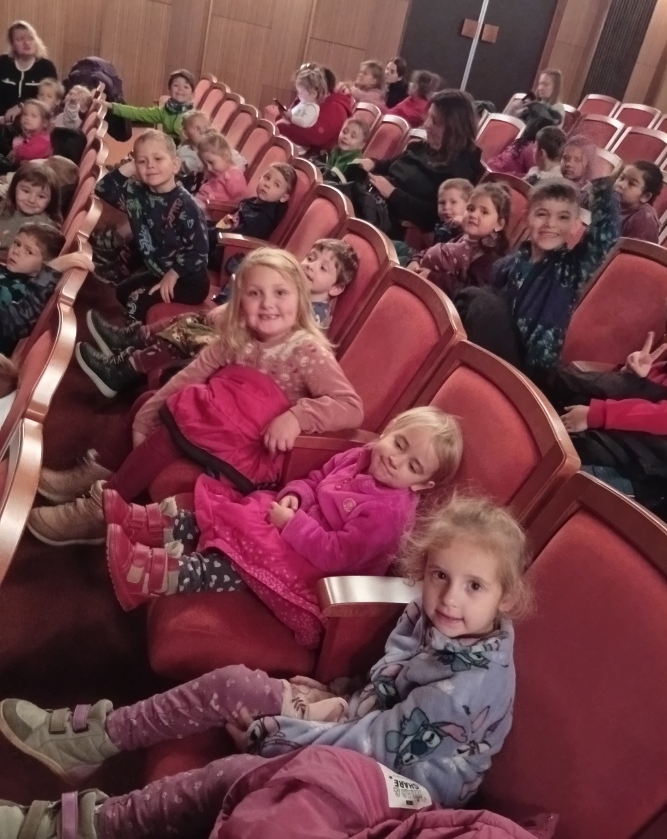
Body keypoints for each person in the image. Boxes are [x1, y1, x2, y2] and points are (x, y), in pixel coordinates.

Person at [0, 494, 532, 838]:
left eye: (474, 586)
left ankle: (83, 825)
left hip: (398, 789)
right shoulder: (428, 616)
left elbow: (376, 746)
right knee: (235, 683)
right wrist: (333, 694)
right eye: (440, 575)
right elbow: (386, 688)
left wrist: (270, 736)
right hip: (364, 730)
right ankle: (94, 739)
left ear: (506, 599)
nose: (449, 597)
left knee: (239, 774)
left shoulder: (466, 691)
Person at [28, 248, 364, 543]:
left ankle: (104, 509)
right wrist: (146, 416)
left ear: (300, 299)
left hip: (252, 450)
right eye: (255, 293)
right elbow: (192, 374)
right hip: (221, 428)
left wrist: (296, 417)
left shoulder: (307, 351)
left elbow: (350, 407)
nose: (268, 304)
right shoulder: (239, 335)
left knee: (172, 433)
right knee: (149, 402)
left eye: (280, 293)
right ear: (240, 301)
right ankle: (100, 470)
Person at [105, 407, 462, 635]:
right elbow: (318, 478)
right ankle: (140, 522)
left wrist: (292, 524)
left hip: (317, 573)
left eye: (413, 465)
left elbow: (337, 554)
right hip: (296, 526)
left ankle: (144, 575)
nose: (397, 460)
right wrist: (298, 495)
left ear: (421, 484)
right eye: (399, 444)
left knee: (240, 560)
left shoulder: (389, 514)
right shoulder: (362, 456)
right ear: (389, 430)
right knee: (230, 513)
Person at [74, 233, 353, 398]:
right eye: (311, 257)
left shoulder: (314, 317)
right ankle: (134, 339)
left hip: (251, 366)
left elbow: (273, 341)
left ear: (336, 289)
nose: (311, 266)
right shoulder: (293, 289)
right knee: (192, 320)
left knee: (187, 335)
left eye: (323, 268)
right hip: (242, 341)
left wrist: (233, 318)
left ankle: (122, 371)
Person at [488, 177, 620, 385]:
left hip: (533, 373)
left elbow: (605, 236)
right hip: (494, 356)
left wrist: (601, 185)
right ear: (527, 217)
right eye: (541, 214)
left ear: (575, 226)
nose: (550, 224)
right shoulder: (504, 266)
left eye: (563, 217)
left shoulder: (571, 269)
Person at [558, 303, 667, 510]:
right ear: (666, 339)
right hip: (613, 449)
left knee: (562, 479)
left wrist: (595, 414)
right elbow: (618, 395)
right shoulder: (658, 369)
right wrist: (630, 375)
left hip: (646, 480)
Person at [93, 129, 210, 321]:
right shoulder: (136, 194)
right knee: (122, 292)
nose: (150, 165)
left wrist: (173, 274)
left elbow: (199, 251)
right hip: (158, 270)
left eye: (158, 159)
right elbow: (103, 188)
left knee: (137, 300)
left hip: (188, 280)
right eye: (142, 161)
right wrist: (132, 166)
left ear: (175, 165)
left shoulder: (186, 204)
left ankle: (131, 336)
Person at [356, 89, 484, 242]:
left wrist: (393, 193)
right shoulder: (424, 147)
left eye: (435, 121)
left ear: (454, 128)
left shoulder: (460, 169)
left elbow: (434, 215)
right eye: (428, 116)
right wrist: (372, 162)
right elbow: (393, 164)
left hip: (391, 222)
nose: (426, 124)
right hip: (372, 199)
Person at [0, 223, 93, 355]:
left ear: (43, 265)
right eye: (17, 244)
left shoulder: (26, 290)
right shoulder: (7, 272)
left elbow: (18, 320)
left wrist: (52, 269)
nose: (16, 251)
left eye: (29, 252)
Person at [409, 183, 510, 299]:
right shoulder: (464, 238)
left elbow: (472, 294)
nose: (473, 215)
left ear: (499, 224)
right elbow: (434, 249)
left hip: (438, 300)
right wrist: (416, 260)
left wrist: (433, 277)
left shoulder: (490, 258)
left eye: (484, 212)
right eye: (470, 209)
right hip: (421, 278)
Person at [274, 66, 353, 153]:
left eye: (301, 92)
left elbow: (315, 136)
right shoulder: (309, 101)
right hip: (293, 145)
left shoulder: (333, 107)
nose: (299, 95)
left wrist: (282, 124)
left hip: (303, 152)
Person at [104, 68, 195, 140]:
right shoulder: (163, 111)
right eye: (176, 85)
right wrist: (111, 106)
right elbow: (137, 112)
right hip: (168, 150)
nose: (180, 89)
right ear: (169, 90)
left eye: (186, 87)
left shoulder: (194, 116)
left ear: (192, 94)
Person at [0, 20, 57, 121]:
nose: (26, 43)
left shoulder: (46, 67)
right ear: (12, 44)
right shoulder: (3, 62)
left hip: (34, 122)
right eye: (20, 39)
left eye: (31, 38)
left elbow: (50, 100)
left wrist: (22, 106)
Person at [0, 162, 61, 250]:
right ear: (14, 188)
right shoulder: (7, 205)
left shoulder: (42, 228)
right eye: (26, 191)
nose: (31, 200)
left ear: (51, 201)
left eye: (41, 196)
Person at [195, 131, 248, 213]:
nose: (208, 168)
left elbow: (238, 202)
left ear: (226, 156)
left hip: (215, 211)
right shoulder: (216, 173)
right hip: (202, 203)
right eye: (205, 164)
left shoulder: (234, 175)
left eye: (211, 162)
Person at [614, 160, 662, 244]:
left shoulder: (643, 221)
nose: (621, 185)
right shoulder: (612, 200)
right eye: (622, 178)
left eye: (631, 184)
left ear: (645, 196)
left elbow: (629, 251)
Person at [0, 99, 52, 172]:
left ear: (45, 123)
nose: (27, 118)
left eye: (33, 116)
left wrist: (17, 148)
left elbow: (28, 153)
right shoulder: (29, 135)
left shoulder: (43, 140)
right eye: (25, 114)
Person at [176, 109, 211, 185]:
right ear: (185, 133)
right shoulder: (182, 153)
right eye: (197, 128)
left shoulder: (216, 146)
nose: (202, 132)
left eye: (205, 128)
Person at [559, 134, 595, 203]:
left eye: (577, 160)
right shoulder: (553, 184)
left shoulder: (588, 196)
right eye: (565, 158)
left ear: (588, 164)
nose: (569, 164)